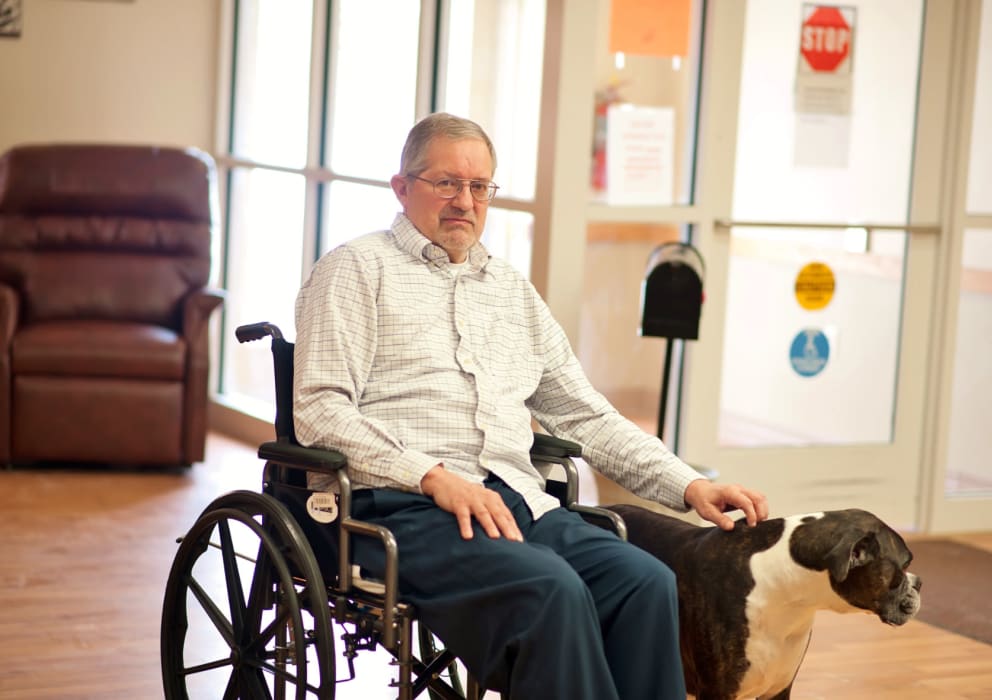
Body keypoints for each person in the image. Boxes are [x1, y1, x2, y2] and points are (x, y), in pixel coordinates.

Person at [293, 112, 768, 700]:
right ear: (401, 187)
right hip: (398, 507)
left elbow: (583, 414)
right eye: (446, 183)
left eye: (478, 187)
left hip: (518, 501)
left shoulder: (512, 291)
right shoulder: (355, 269)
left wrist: (688, 485)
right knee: (552, 590)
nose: (463, 201)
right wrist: (432, 476)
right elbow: (321, 411)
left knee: (645, 581)